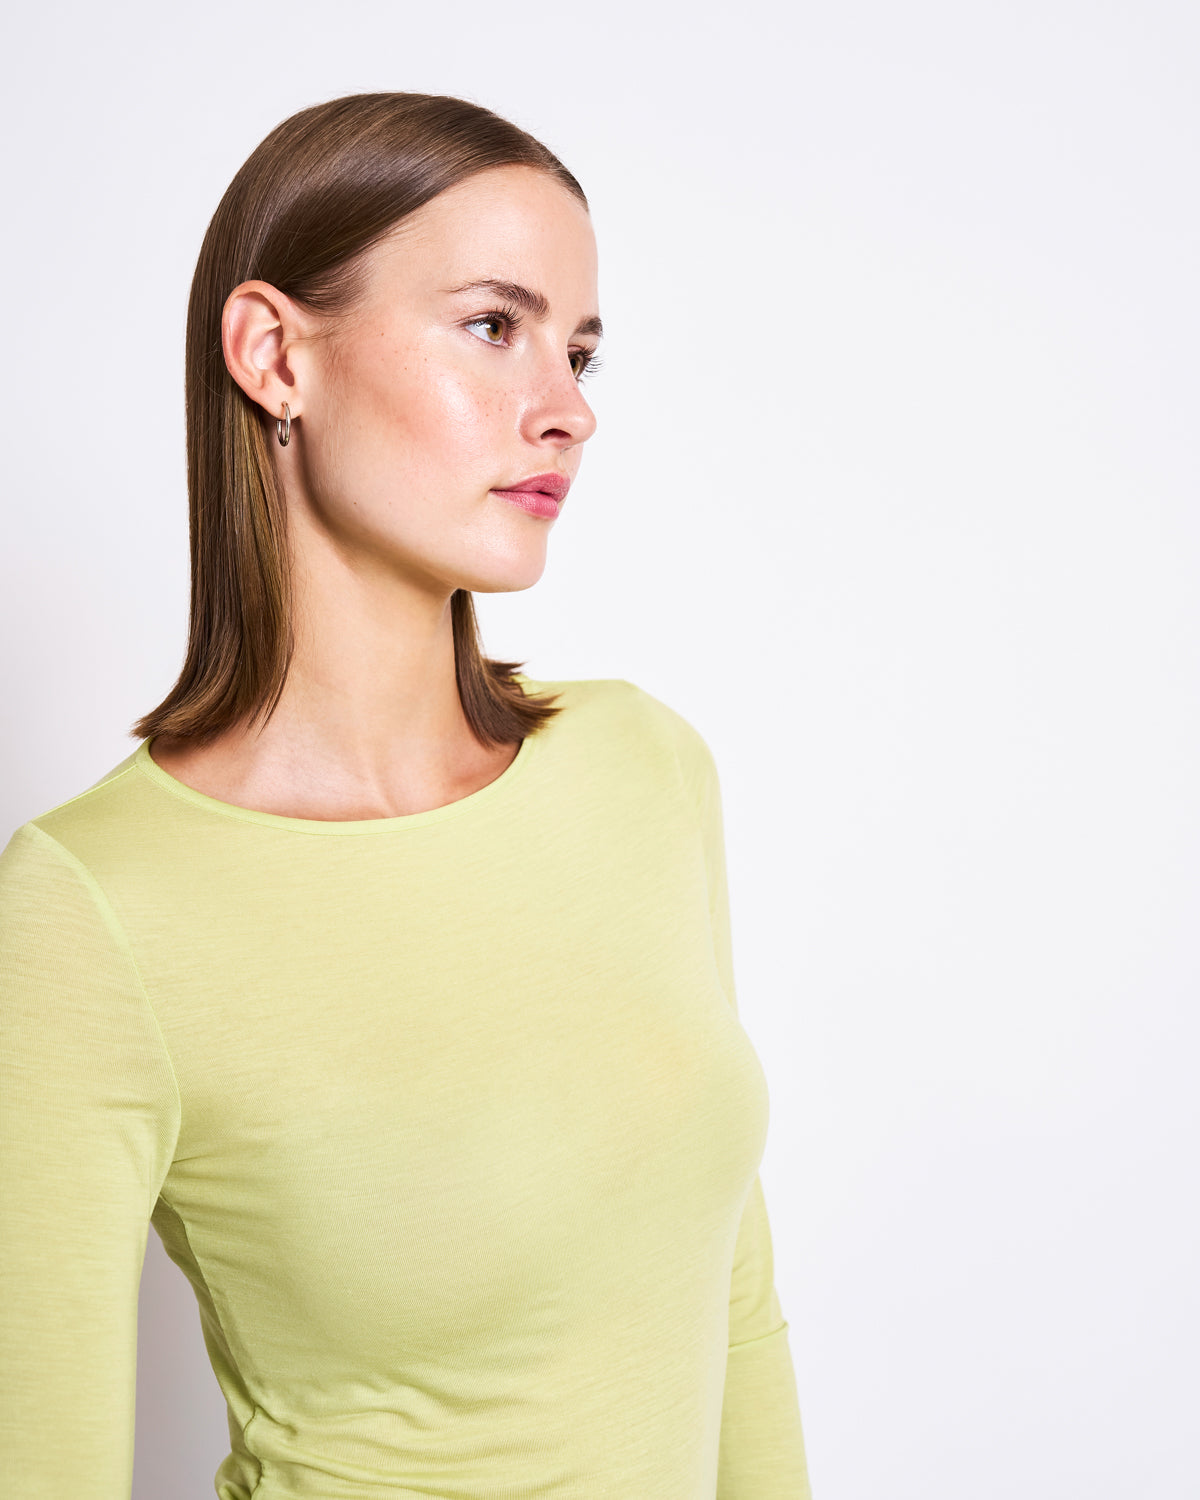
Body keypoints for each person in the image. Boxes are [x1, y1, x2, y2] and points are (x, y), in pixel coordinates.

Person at [0, 92, 813, 1499]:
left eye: (580, 351)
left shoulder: (644, 770)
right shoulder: (90, 910)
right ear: (275, 355)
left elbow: (731, 1299)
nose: (568, 409)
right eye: (494, 326)